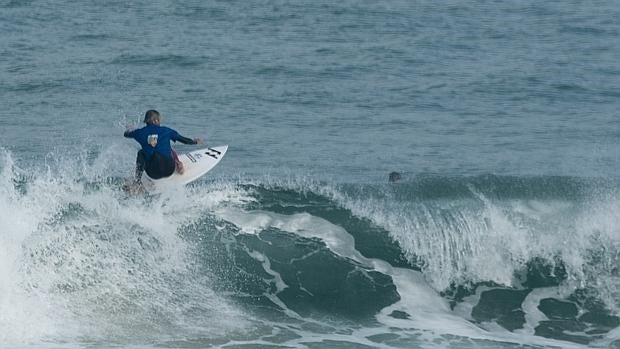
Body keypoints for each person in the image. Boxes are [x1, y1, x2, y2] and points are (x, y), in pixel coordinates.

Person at [124, 110, 203, 183]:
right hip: (169, 169)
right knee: (169, 149)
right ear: (156, 120)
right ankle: (178, 164)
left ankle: (137, 181)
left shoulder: (139, 133)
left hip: (153, 173)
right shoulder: (166, 130)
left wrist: (130, 129)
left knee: (141, 153)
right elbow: (183, 140)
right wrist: (195, 142)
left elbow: (126, 134)